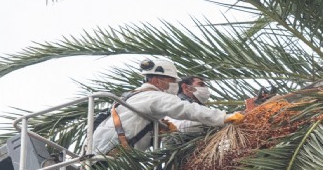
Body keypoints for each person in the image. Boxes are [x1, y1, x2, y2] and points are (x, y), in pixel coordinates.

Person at [91, 59, 244, 155]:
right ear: (157, 80)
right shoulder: (152, 96)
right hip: (112, 156)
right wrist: (223, 117)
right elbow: (186, 109)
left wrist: (160, 127)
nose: (174, 84)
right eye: (171, 80)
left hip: (102, 154)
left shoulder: (133, 97)